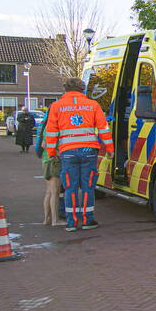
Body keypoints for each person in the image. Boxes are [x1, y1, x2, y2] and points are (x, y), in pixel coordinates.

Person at [45, 78, 114, 232]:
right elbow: (104, 129)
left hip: (67, 152)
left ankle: (72, 222)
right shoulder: (93, 105)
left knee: (70, 187)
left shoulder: (56, 106)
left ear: (65, 89)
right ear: (82, 89)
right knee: (88, 187)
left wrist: (51, 152)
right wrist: (110, 149)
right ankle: (88, 220)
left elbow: (51, 132)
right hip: (89, 151)